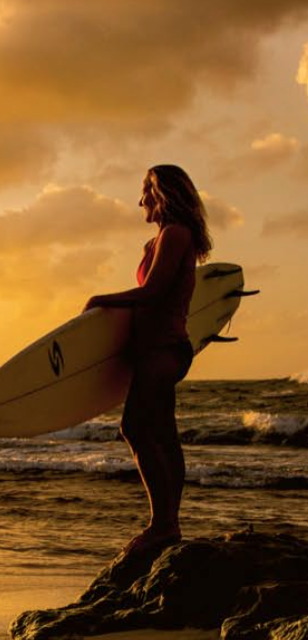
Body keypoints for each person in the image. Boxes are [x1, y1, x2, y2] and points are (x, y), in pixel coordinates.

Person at [84, 164, 212, 555]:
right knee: (163, 434)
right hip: (153, 349)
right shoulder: (161, 239)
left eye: (145, 191)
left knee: (135, 427)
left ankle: (163, 525)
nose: (140, 200)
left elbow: (154, 291)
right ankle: (168, 525)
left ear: (160, 194)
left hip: (164, 349)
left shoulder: (175, 233)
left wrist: (100, 300)